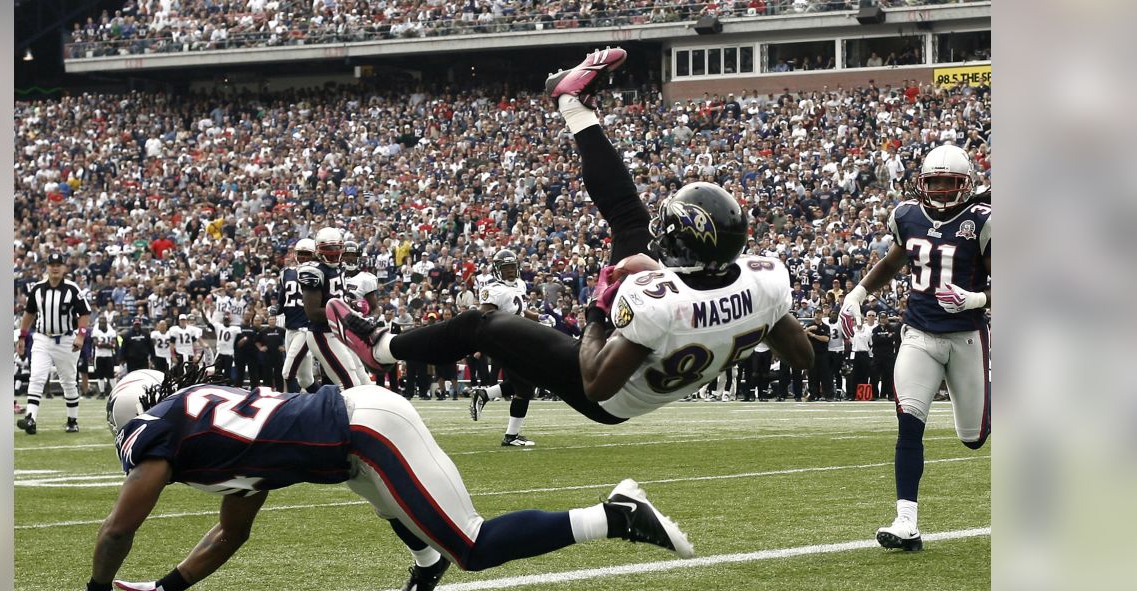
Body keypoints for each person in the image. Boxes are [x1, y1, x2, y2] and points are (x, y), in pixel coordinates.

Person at [329, 47, 812, 425]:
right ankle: (571, 101)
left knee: (481, 326)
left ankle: (384, 347)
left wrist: (599, 309)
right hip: (679, 332)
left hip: (613, 395)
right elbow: (801, 355)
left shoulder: (658, 300)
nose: (659, 237)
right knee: (628, 216)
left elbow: (596, 383)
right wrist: (737, 324)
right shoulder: (762, 283)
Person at [74, 366, 694, 591]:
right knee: (406, 519)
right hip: (351, 446)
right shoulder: (217, 442)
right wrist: (165, 589)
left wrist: (102, 583)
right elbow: (230, 532)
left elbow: (117, 530)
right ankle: (424, 561)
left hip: (364, 431)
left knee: (472, 545)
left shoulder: (158, 431)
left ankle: (612, 515)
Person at [840, 143, 991, 551]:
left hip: (965, 337)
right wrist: (857, 293)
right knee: (909, 423)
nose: (942, 190)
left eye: (950, 182)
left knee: (973, 437)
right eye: (935, 182)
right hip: (920, 335)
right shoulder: (907, 216)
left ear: (966, 184)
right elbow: (892, 262)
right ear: (923, 183)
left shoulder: (983, 221)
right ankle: (906, 521)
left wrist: (975, 299)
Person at [467, 249, 541, 446]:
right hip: (505, 342)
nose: (509, 271)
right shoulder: (492, 290)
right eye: (505, 268)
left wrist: (537, 317)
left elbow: (520, 310)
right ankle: (511, 436)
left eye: (512, 267)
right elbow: (484, 316)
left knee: (524, 385)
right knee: (525, 388)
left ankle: (484, 395)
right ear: (498, 270)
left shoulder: (520, 284)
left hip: (521, 340)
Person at [16, 252, 92, 434]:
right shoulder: (37, 289)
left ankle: (72, 420)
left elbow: (84, 313)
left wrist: (80, 336)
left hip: (65, 338)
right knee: (36, 377)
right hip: (42, 338)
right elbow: (29, 313)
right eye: (52, 265)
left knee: (68, 381)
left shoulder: (72, 289)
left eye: (59, 264)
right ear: (47, 267)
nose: (55, 267)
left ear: (64, 267)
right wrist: (22, 336)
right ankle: (30, 418)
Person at [299, 227, 373, 388]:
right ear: (318, 249)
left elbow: (339, 298)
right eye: (328, 249)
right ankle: (349, 413)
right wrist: (347, 312)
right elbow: (312, 313)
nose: (332, 253)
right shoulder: (314, 271)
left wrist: (352, 306)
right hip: (322, 334)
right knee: (349, 383)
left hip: (340, 331)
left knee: (363, 378)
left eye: (336, 248)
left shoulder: (340, 267)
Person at [278, 238, 317, 393]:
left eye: (307, 254)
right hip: (290, 328)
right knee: (306, 380)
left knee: (287, 373)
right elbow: (282, 301)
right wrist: (275, 309)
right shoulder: (287, 273)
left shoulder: (318, 273)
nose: (303, 258)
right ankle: (325, 405)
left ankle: (293, 411)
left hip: (305, 329)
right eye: (301, 254)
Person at [869, 311, 898, 399]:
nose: (883, 319)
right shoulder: (875, 329)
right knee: (874, 376)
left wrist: (883, 338)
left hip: (888, 356)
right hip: (877, 356)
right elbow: (875, 341)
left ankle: (889, 394)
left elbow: (892, 339)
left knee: (888, 376)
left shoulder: (892, 328)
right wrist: (886, 337)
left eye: (884, 318)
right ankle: (874, 394)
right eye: (881, 318)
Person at [805, 312, 833, 401]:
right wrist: (809, 329)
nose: (818, 315)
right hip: (812, 354)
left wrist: (813, 335)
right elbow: (802, 335)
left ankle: (827, 395)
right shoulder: (809, 325)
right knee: (812, 376)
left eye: (820, 313)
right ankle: (813, 395)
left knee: (825, 375)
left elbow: (826, 339)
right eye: (817, 313)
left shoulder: (826, 327)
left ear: (822, 315)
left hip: (823, 354)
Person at [89, 317, 119, 398]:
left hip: (108, 356)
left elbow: (114, 345)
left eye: (103, 322)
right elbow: (96, 344)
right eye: (101, 322)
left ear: (106, 322)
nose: (102, 324)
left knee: (111, 375)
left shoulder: (111, 331)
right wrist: (107, 345)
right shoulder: (96, 330)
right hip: (99, 356)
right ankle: (102, 393)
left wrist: (102, 345)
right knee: (100, 375)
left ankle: (115, 392)